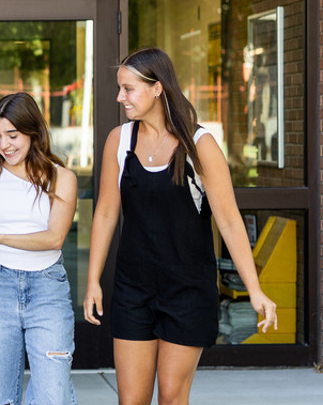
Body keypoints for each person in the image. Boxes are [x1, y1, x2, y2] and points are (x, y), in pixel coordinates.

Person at [82, 48, 277, 405]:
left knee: (172, 397)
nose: (119, 97)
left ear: (157, 88)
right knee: (132, 401)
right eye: (119, 88)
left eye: (128, 89)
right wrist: (93, 279)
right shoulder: (119, 140)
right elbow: (106, 213)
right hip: (133, 290)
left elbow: (230, 222)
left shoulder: (199, 146)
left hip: (187, 290)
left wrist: (255, 290)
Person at [0, 92, 79, 405]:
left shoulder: (60, 178)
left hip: (48, 288)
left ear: (33, 133)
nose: (4, 144)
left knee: (53, 396)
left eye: (12, 135)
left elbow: (54, 239)